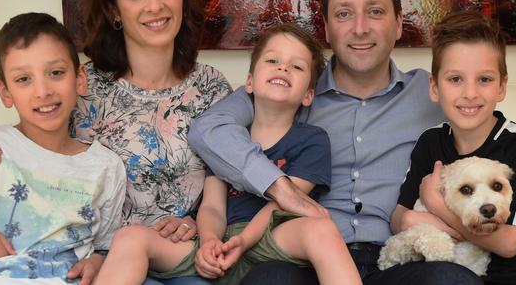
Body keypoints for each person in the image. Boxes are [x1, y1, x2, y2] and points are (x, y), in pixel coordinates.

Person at [186, 0, 516, 284]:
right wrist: (283, 191)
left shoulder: (438, 93)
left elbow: (510, 152)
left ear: (397, 24)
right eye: (344, 14)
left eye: (374, 12)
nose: (360, 28)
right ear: (326, 27)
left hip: (401, 261)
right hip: (309, 260)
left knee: (452, 280)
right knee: (267, 280)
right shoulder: (290, 87)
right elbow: (209, 131)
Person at [0, 0, 231, 285]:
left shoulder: (212, 88)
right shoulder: (78, 85)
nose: (155, 5)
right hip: (101, 268)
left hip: (177, 259)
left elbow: (223, 186)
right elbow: (33, 149)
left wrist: (194, 223)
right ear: (113, 8)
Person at [94, 23, 361, 285]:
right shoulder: (228, 142)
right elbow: (212, 205)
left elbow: (283, 204)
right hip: (219, 237)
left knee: (323, 229)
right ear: (249, 82)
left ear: (308, 95)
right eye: (272, 60)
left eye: (297, 66)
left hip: (273, 235)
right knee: (130, 238)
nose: (283, 68)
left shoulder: (311, 140)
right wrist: (209, 242)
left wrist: (243, 242)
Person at [0, 12, 126, 284]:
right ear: (5, 92)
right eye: (24, 79)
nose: (43, 91)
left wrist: (96, 261)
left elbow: (106, 245)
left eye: (56, 73)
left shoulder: (106, 166)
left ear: (79, 78)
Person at [393, 10, 516, 284]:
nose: (470, 93)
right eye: (455, 79)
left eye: (484, 79)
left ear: (502, 87)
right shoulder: (430, 142)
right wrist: (410, 220)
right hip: (473, 276)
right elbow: (400, 218)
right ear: (434, 88)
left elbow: (509, 244)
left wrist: (438, 207)